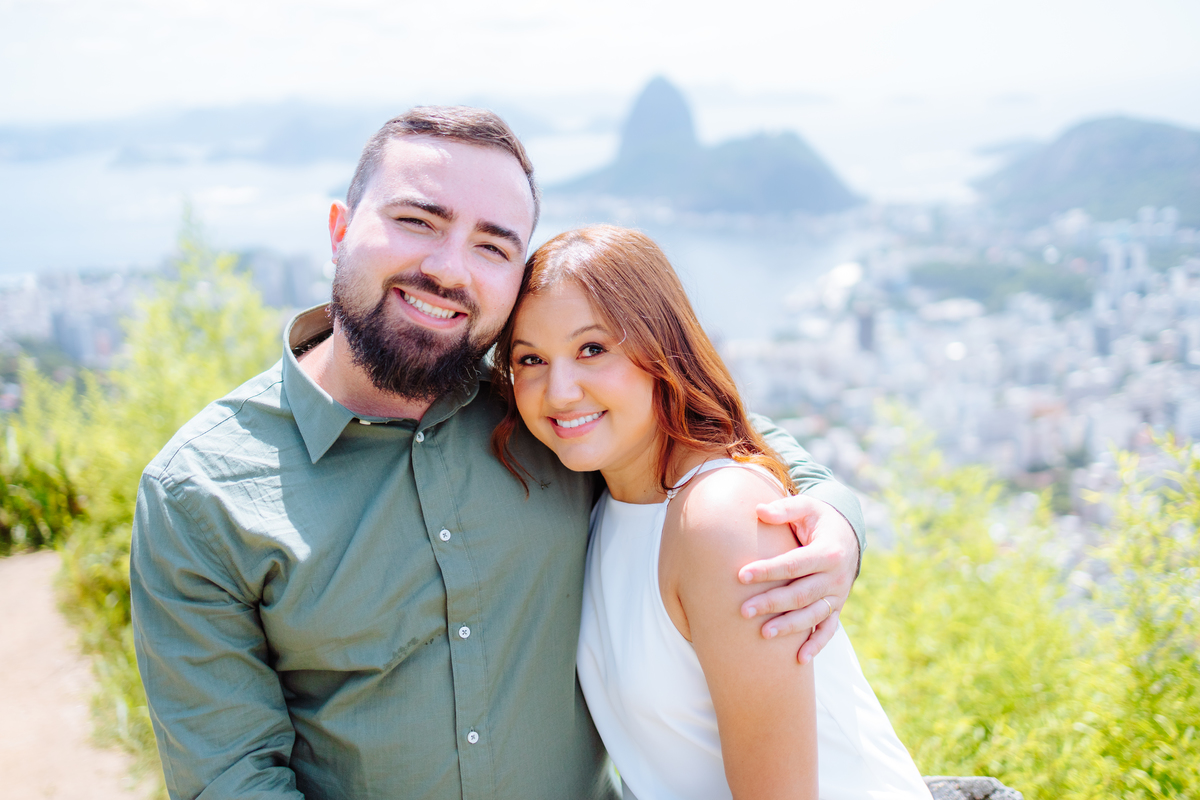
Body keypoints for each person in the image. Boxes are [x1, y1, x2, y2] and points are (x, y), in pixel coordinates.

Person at [130, 107, 866, 800]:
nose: (451, 270)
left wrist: (835, 519)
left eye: (492, 245)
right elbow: (233, 780)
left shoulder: (548, 411)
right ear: (339, 229)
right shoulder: (201, 492)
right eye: (418, 221)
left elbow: (709, 430)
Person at [492, 225, 930, 800]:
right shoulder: (602, 505)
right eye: (531, 359)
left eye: (592, 349)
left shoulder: (719, 517)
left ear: (660, 348)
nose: (561, 390)